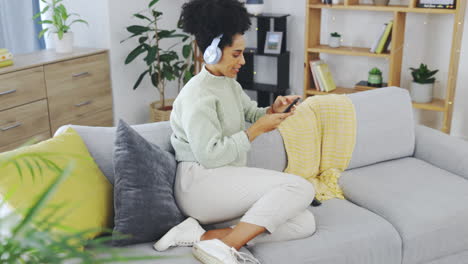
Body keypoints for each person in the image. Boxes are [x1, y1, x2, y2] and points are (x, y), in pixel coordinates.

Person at [154, 0, 316, 263]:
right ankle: (225, 246)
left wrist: (271, 110)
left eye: (243, 53)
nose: (242, 60)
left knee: (303, 222)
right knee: (300, 188)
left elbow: (250, 111)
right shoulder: (198, 95)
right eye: (236, 54)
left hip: (224, 182)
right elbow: (211, 156)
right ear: (212, 53)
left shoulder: (228, 83)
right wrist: (254, 132)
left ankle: (202, 236)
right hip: (200, 185)